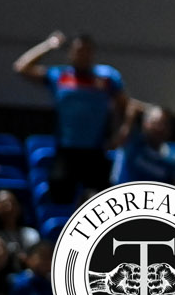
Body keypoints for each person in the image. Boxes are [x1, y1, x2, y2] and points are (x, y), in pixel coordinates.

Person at [12, 32, 125, 202]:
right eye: (78, 50)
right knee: (59, 197)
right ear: (71, 53)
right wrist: (49, 45)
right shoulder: (59, 75)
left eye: (87, 51)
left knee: (100, 199)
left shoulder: (107, 77)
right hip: (66, 149)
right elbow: (21, 67)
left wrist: (118, 133)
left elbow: (123, 104)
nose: (82, 55)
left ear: (92, 54)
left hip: (95, 150)